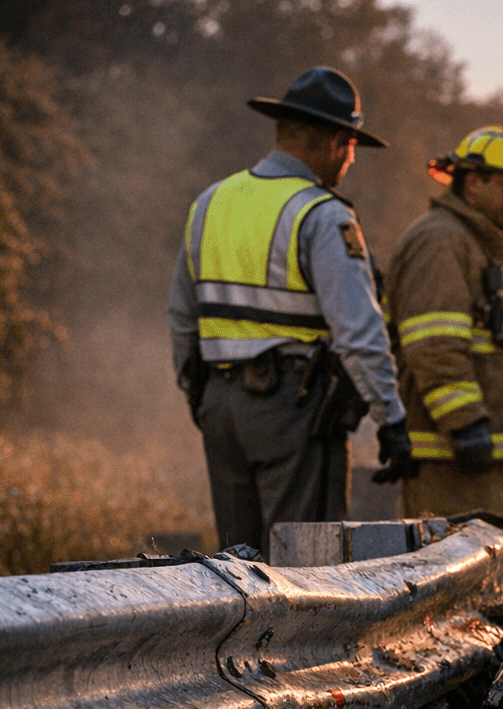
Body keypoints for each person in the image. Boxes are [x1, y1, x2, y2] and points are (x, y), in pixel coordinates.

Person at [168, 66, 417, 554]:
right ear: (332, 143)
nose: (349, 162)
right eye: (350, 149)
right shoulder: (322, 215)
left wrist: (200, 394)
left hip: (220, 406)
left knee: (235, 569)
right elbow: (358, 332)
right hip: (294, 409)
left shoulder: (210, 202)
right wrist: (391, 417)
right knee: (303, 565)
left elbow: (182, 317)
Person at [382, 125, 503, 521]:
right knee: (461, 575)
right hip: (454, 458)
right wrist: (465, 423)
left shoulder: (483, 246)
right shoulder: (441, 241)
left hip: (495, 454)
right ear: (472, 181)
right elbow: (432, 344)